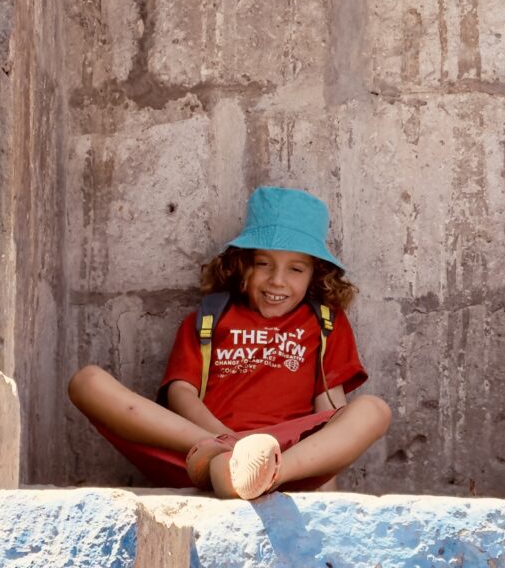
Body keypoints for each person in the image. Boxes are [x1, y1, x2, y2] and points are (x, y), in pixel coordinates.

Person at [68, 187, 391, 500]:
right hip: (201, 447)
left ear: (314, 275)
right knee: (87, 382)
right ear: (242, 264)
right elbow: (181, 394)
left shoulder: (324, 322)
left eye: (295, 269)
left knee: (374, 410)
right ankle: (234, 464)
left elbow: (329, 407)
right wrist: (226, 442)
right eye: (263, 264)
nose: (277, 280)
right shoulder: (210, 318)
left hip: (288, 454)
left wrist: (326, 496)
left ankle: (265, 473)